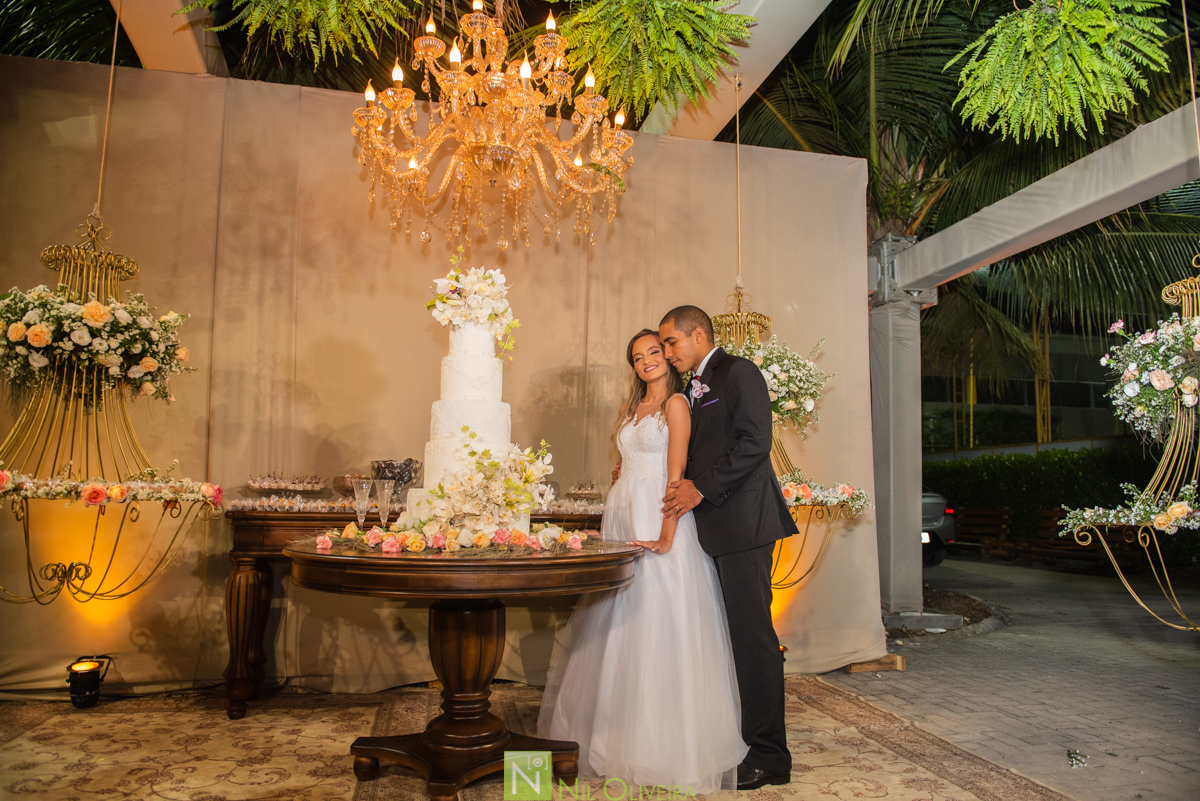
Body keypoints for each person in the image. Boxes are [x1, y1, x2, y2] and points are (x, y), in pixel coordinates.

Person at [538, 329, 747, 795]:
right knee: (616, 620)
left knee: (658, 617)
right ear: (632, 366)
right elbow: (627, 463)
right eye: (638, 357)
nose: (648, 361)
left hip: (656, 514)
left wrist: (668, 532)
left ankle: (660, 743)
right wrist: (620, 475)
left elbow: (675, 473)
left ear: (668, 359)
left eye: (655, 352)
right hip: (622, 514)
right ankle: (611, 733)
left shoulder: (677, 404)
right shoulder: (628, 411)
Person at [659, 305, 798, 791]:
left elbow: (754, 443)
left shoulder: (739, 372)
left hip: (744, 527)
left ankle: (769, 756)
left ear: (698, 335)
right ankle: (736, 740)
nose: (667, 352)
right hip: (712, 529)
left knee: (753, 639)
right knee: (726, 640)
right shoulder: (693, 386)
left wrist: (699, 488)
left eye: (671, 342)